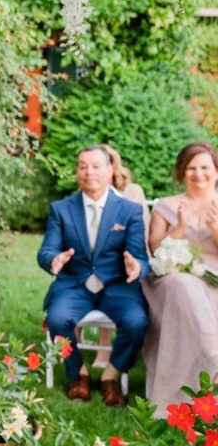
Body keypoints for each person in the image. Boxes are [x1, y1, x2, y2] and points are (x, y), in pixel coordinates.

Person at [38, 146, 150, 406]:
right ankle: (79, 373)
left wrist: (136, 267)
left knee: (136, 323)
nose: (89, 172)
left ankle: (110, 375)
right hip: (75, 285)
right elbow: (46, 250)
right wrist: (53, 259)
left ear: (110, 170)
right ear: (77, 171)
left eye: (96, 166)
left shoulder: (128, 211)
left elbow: (140, 257)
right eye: (83, 166)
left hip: (117, 286)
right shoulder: (61, 209)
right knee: (57, 318)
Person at [142, 142, 218, 416]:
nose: (199, 174)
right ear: (182, 172)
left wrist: (214, 228)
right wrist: (180, 229)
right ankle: (210, 357)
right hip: (173, 280)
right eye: (192, 168)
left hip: (214, 279)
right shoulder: (167, 205)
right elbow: (155, 250)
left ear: (216, 171)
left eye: (205, 168)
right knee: (182, 286)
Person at [89, 145, 149, 368]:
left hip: (127, 258)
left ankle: (105, 350)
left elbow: (142, 229)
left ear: (113, 166)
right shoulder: (87, 192)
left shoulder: (133, 191)